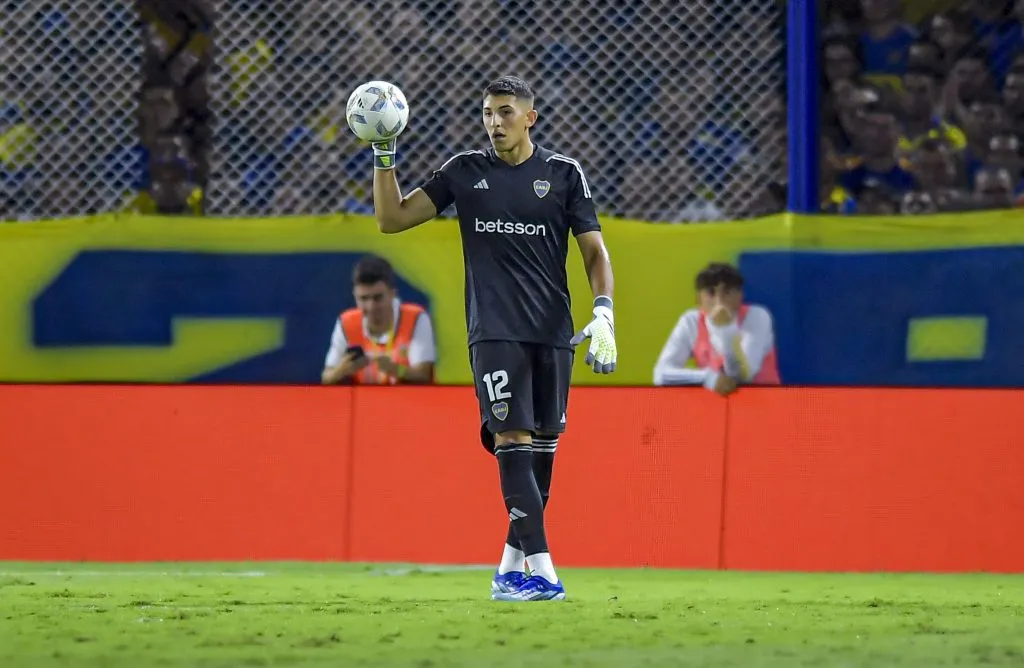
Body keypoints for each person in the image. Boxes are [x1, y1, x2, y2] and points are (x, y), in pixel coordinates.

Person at [368, 75, 617, 601]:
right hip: (495, 331)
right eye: (487, 113)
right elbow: (392, 219)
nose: (494, 123)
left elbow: (594, 249)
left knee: (542, 453)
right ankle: (544, 574)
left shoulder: (564, 173)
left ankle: (508, 571)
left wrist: (604, 312)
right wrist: (384, 155)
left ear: (530, 117)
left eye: (505, 112)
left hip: (552, 332)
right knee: (512, 441)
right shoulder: (464, 172)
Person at [653, 262, 780, 393]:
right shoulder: (690, 321)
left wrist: (726, 328)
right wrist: (707, 378)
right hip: (713, 403)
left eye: (727, 292)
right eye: (711, 292)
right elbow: (661, 374)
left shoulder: (757, 317)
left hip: (764, 399)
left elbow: (742, 377)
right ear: (699, 299)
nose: (719, 300)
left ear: (740, 296)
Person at [321, 254, 436, 385]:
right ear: (355, 297)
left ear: (392, 294)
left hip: (408, 397)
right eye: (363, 299)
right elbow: (326, 378)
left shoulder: (416, 318)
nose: (371, 307)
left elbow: (424, 376)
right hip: (364, 398)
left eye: (378, 298)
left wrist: (395, 369)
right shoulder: (346, 323)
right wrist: (342, 371)